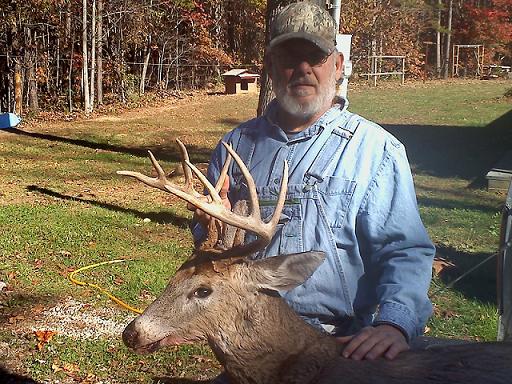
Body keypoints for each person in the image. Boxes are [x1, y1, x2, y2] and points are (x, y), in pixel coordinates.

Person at [191, 1, 434, 364]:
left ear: (337, 66)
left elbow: (404, 250)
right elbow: (210, 251)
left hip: (340, 344)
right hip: (251, 340)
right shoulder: (235, 146)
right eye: (290, 57)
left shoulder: (374, 150)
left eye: (315, 57)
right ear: (271, 67)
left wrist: (393, 325)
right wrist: (207, 227)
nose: (303, 69)